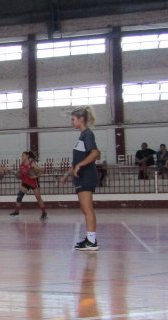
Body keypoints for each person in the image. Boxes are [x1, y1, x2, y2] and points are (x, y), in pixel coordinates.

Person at [61, 106, 100, 251]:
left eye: (73, 119)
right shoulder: (82, 136)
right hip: (81, 177)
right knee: (85, 208)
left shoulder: (87, 134)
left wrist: (79, 166)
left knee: (87, 208)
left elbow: (95, 153)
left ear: (81, 119)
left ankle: (92, 241)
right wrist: (67, 173)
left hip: (86, 177)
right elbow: (79, 161)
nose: (72, 122)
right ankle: (90, 239)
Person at [9, 151, 48, 220]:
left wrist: (36, 176)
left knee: (38, 198)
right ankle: (17, 212)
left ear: (27, 156)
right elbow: (19, 175)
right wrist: (12, 172)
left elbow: (42, 170)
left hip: (33, 182)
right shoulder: (21, 165)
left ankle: (44, 213)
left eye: (23, 155)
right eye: (21, 156)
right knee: (19, 196)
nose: (22, 157)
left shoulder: (32, 163)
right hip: (25, 183)